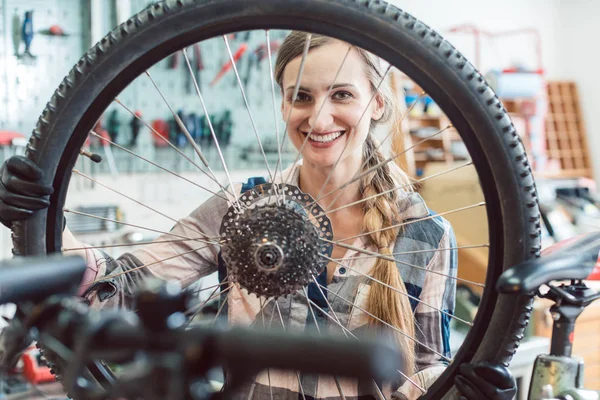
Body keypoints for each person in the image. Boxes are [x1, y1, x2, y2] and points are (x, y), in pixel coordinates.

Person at [0, 32, 515, 400]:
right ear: (283, 103)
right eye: (301, 97)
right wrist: (40, 224)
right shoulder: (238, 208)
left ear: (378, 102)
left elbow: (425, 373)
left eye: (341, 95)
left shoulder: (424, 233)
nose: (318, 118)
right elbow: (114, 292)